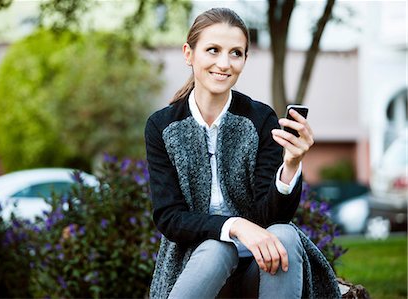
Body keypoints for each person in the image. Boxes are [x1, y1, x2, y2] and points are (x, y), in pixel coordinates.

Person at [145, 7, 340, 299]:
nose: (224, 63)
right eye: (213, 50)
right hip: (199, 265)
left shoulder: (259, 119)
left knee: (284, 235)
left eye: (236, 53)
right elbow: (170, 218)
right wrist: (234, 226)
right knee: (216, 247)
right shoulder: (163, 126)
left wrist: (291, 164)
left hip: (260, 271)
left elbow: (273, 215)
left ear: (245, 59)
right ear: (189, 54)